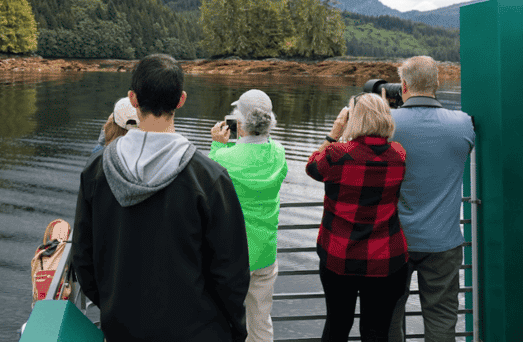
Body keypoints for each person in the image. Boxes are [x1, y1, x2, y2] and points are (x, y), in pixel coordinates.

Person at [72, 54, 251, 342]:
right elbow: (231, 273)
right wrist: (235, 330)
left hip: (122, 329)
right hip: (197, 331)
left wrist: (113, 305)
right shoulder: (209, 178)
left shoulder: (96, 171)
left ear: (133, 98)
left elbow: (83, 258)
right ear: (181, 100)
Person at [306, 92, 409, 342]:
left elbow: (312, 168)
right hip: (386, 256)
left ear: (354, 119)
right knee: (376, 331)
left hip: (339, 255)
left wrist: (334, 132)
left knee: (337, 325)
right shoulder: (399, 155)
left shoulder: (336, 154)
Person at [388, 56, 475, 342]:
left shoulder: (387, 124)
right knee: (442, 318)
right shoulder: (462, 124)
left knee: (389, 317)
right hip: (444, 242)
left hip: (394, 241)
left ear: (403, 85)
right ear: (437, 84)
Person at [208, 89, 288, 342]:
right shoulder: (278, 153)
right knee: (261, 322)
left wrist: (217, 145)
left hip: (232, 255)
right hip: (265, 253)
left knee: (221, 319)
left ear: (239, 123)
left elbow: (209, 185)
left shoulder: (224, 157)